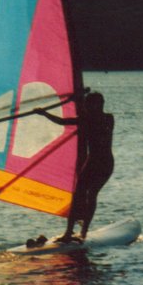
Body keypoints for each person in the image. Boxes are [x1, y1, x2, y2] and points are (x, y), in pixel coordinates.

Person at [34, 90, 115, 243]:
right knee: (77, 194)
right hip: (91, 162)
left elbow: (80, 121)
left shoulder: (107, 119)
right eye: (86, 105)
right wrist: (45, 114)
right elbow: (62, 122)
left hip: (104, 163)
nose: (87, 107)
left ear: (98, 105)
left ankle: (83, 231)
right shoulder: (86, 119)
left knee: (91, 194)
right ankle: (68, 232)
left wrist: (75, 102)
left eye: (89, 104)